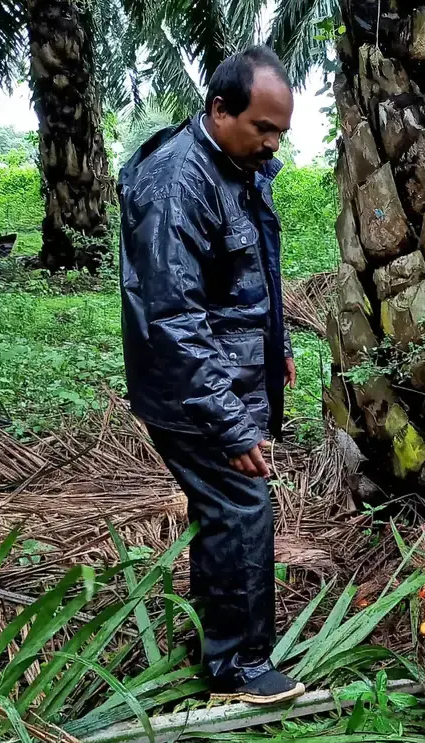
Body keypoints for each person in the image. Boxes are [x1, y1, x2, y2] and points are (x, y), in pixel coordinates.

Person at [118, 46, 303, 704]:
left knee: (224, 509)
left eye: (281, 131)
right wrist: (230, 423)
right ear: (220, 110)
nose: (273, 143)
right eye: (263, 127)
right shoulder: (179, 182)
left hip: (222, 375)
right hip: (193, 391)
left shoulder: (235, 165)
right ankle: (238, 668)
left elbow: (245, 275)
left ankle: (217, 641)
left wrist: (275, 344)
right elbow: (172, 317)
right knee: (242, 505)